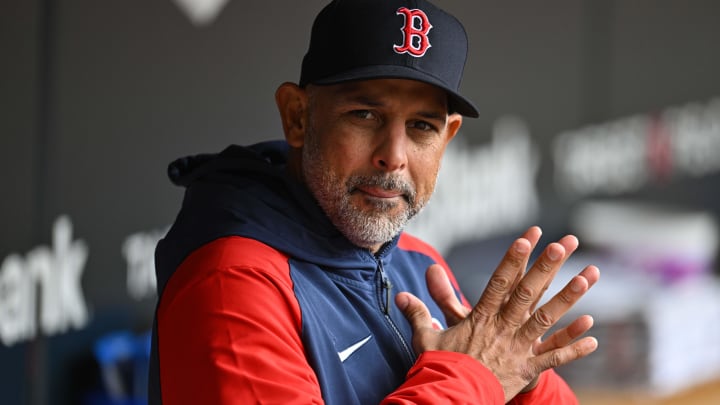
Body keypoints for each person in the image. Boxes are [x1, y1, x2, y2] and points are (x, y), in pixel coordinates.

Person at [148, 0, 600, 403]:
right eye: (365, 115)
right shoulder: (233, 281)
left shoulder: (417, 263)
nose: (393, 156)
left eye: (422, 126)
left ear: (448, 138)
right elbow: (472, 380)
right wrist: (474, 377)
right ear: (298, 117)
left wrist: (516, 371)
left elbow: (491, 376)